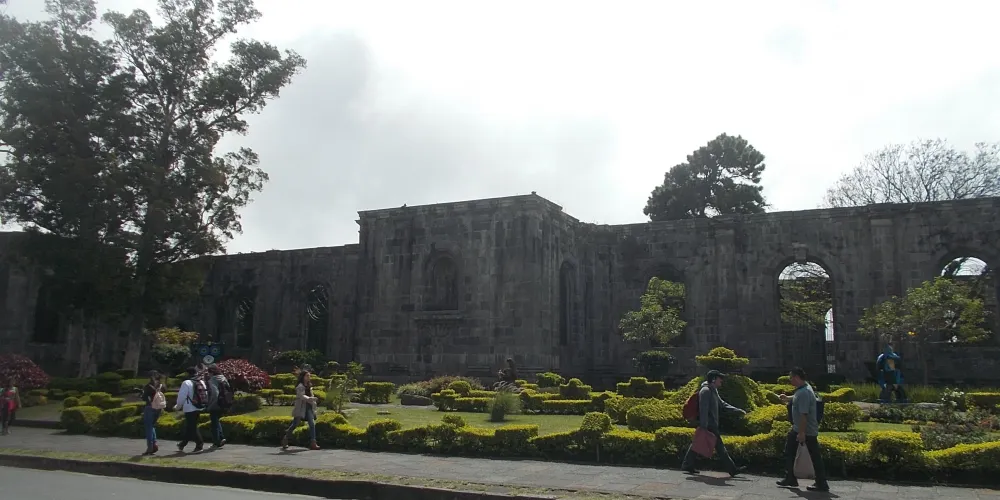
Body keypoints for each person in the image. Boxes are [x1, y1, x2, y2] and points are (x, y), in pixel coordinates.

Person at [681, 370, 747, 477]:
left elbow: (722, 404)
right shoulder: (705, 391)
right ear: (713, 379)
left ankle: (687, 464)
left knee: (697, 443)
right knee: (720, 448)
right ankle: (733, 470)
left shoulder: (713, 390)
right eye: (719, 378)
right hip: (709, 425)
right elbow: (703, 410)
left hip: (711, 424)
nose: (721, 381)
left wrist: (738, 410)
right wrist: (704, 426)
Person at [777, 367, 829, 492]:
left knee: (808, 455)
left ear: (796, 377)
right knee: (796, 452)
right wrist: (788, 398)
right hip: (803, 428)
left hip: (804, 429)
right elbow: (797, 398)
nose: (790, 380)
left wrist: (801, 433)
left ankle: (820, 483)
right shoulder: (804, 388)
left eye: (791, 377)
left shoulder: (804, 393)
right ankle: (791, 477)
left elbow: (803, 415)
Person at [281, 369, 319, 451]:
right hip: (301, 407)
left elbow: (310, 395)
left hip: (309, 407)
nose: (309, 377)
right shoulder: (300, 386)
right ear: (303, 377)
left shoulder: (309, 386)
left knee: (312, 424)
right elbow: (302, 396)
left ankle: (313, 443)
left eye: (309, 376)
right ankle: (285, 439)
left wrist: (312, 400)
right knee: (295, 424)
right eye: (307, 376)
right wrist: (309, 398)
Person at [174, 366, 206, 452]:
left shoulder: (186, 383)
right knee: (190, 426)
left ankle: (199, 444)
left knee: (192, 427)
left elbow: (182, 397)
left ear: (187, 374)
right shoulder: (201, 381)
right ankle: (182, 444)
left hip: (190, 408)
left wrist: (177, 407)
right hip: (199, 406)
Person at [140, 371, 166, 455]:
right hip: (159, 407)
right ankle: (154, 445)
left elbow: (144, 398)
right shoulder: (162, 385)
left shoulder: (148, 386)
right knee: (152, 426)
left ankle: (150, 447)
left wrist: (142, 394)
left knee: (148, 427)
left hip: (150, 407)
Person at [205, 364, 230, 448]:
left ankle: (217, 442)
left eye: (209, 373)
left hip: (215, 403)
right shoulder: (223, 378)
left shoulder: (212, 380)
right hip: (224, 403)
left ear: (212, 372)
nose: (208, 374)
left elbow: (215, 393)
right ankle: (221, 438)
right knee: (216, 421)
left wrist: (210, 404)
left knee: (214, 424)